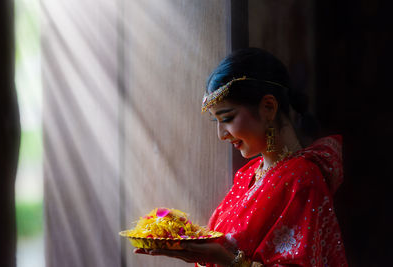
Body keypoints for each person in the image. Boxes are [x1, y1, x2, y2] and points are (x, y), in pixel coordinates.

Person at [135, 47, 348, 266]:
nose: (221, 134)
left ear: (268, 107)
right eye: (216, 121)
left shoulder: (302, 179)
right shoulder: (248, 174)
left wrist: (222, 259)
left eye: (227, 118)